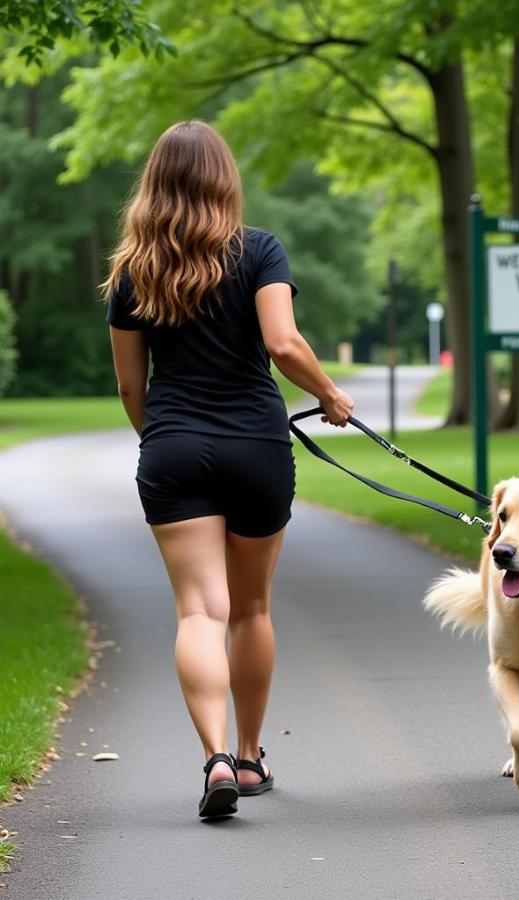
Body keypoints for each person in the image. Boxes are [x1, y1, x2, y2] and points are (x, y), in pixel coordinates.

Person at [102, 120, 354, 819]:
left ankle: (211, 755)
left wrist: (166, 439)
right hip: (257, 447)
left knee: (199, 611)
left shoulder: (133, 271)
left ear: (155, 183)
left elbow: (130, 388)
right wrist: (329, 395)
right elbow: (282, 342)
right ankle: (248, 758)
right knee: (249, 609)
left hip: (174, 447)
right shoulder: (260, 251)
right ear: (224, 179)